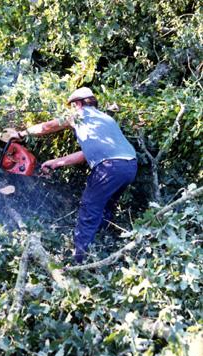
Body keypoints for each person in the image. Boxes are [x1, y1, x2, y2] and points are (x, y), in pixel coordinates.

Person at [9, 87, 137, 263]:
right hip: (129, 166)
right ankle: (102, 243)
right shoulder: (105, 119)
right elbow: (87, 154)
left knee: (89, 207)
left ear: (78, 104)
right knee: (106, 205)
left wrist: (21, 133)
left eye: (73, 106)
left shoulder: (81, 115)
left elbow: (49, 126)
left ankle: (80, 259)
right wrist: (56, 162)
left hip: (109, 167)